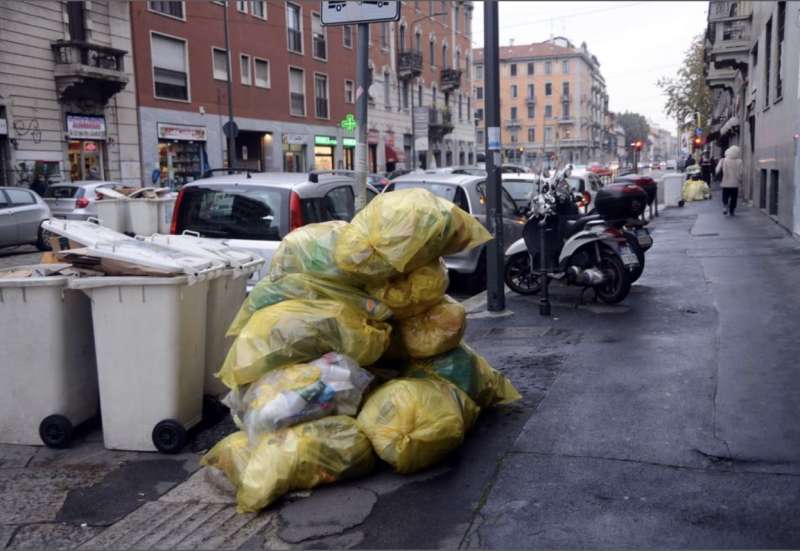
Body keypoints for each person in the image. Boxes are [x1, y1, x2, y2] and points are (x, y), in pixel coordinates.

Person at [715, 145, 743, 216]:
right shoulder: (739, 161)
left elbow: (717, 170)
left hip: (725, 182)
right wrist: (740, 181)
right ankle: (732, 210)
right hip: (735, 183)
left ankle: (725, 206)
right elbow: (741, 173)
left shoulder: (723, 160)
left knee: (725, 195)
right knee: (734, 197)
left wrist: (717, 174)